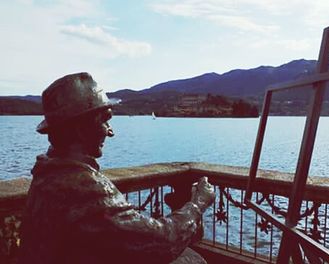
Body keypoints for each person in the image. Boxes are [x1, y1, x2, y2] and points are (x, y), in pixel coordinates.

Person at [19, 72, 216, 264]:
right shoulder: (82, 187)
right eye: (105, 120)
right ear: (81, 128)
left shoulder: (47, 173)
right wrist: (197, 204)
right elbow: (161, 243)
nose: (111, 131)